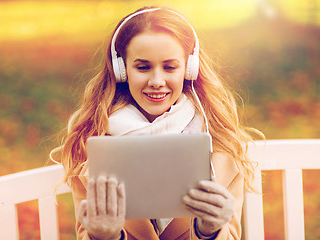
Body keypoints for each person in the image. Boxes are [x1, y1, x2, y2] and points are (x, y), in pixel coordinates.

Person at [52, 6, 262, 240]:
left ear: (189, 69)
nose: (157, 81)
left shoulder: (221, 146)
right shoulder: (93, 148)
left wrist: (209, 232)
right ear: (122, 70)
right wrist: (105, 236)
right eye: (143, 67)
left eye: (170, 67)